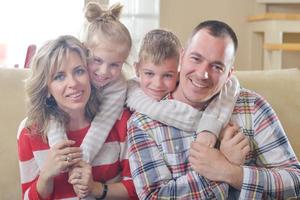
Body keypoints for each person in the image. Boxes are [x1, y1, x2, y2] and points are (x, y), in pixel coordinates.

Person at [127, 20, 300, 199]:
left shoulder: (252, 106)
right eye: (196, 59)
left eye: (217, 67)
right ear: (182, 57)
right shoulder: (143, 124)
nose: (203, 74)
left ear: (229, 74)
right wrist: (221, 164)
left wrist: (232, 173)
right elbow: (154, 196)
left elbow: (295, 181)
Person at [17, 35, 137, 199]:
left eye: (79, 71)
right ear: (47, 89)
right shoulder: (29, 131)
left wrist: (95, 188)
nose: (73, 83)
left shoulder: (122, 121)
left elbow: (137, 190)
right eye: (59, 76)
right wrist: (45, 177)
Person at [46, 2, 132, 165]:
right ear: (84, 51)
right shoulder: (74, 77)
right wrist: (62, 154)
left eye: (114, 65)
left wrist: (80, 163)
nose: (104, 71)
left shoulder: (117, 86)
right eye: (97, 60)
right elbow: (53, 111)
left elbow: (102, 124)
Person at [126, 28, 242, 148]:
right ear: (137, 69)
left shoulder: (193, 89)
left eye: (167, 75)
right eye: (149, 73)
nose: (157, 84)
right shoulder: (133, 96)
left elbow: (231, 83)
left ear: (179, 71)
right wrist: (212, 127)